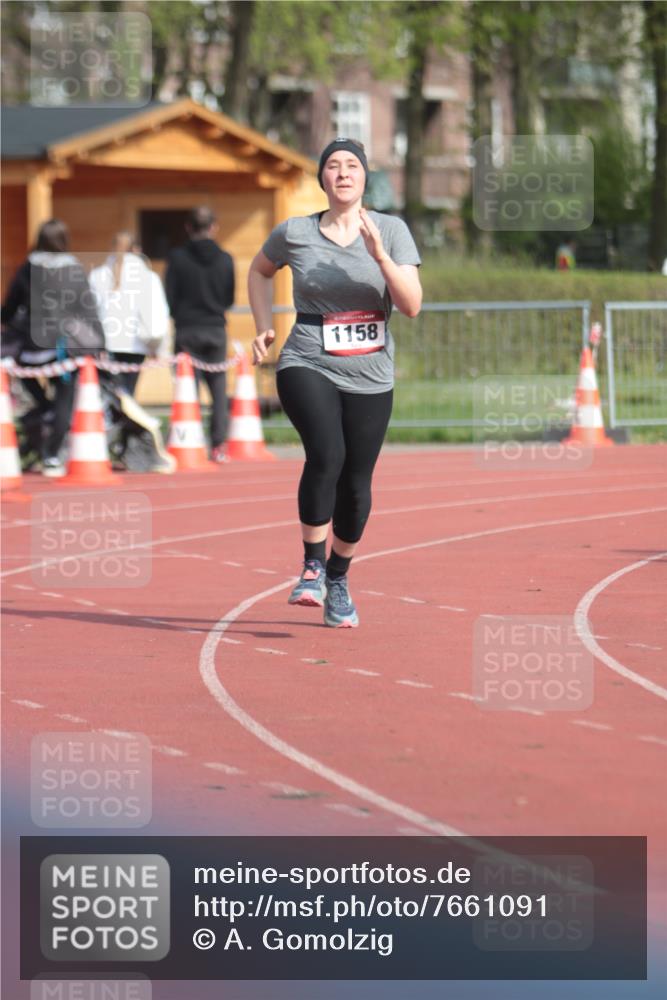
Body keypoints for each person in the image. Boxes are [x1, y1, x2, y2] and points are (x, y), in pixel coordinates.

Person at [248, 137, 422, 628]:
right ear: (322, 178)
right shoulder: (296, 232)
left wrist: (380, 257)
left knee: (357, 482)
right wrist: (264, 324)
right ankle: (311, 565)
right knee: (327, 454)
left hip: (370, 371)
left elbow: (411, 306)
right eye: (332, 166)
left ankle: (339, 577)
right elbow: (259, 271)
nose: (343, 172)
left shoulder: (391, 229)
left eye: (352, 165)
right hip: (308, 357)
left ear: (365, 176)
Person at [1, 218, 104, 476]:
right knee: (64, 399)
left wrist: (5, 320)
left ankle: (44, 412)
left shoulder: (28, 268)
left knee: (29, 381)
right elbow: (87, 307)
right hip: (63, 346)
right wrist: (100, 340)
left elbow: (11, 305)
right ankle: (51, 453)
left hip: (32, 347)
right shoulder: (74, 270)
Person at [165, 206, 235, 462]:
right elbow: (228, 297)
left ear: (188, 227)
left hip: (186, 329)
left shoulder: (177, 257)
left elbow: (169, 296)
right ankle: (218, 446)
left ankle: (188, 441)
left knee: (187, 389)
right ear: (214, 227)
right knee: (218, 391)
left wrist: (179, 315)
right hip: (216, 328)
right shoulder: (225, 258)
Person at [89, 232, 170, 396]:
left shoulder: (97, 275)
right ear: (137, 249)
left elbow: (90, 312)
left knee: (108, 393)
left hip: (106, 344)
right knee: (128, 394)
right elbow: (157, 314)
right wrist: (158, 346)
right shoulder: (148, 277)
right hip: (136, 344)